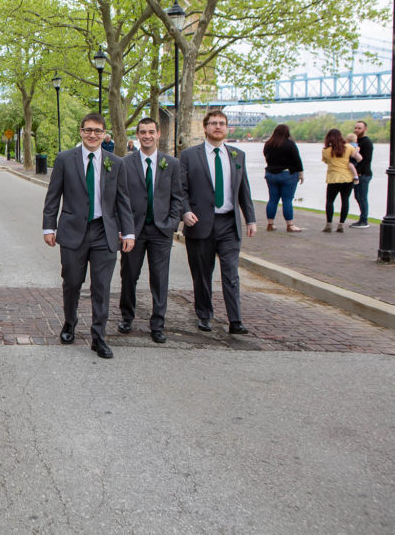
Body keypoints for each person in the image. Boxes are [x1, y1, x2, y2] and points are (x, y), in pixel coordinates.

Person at [43, 112, 134, 359]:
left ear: (104, 134)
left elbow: (123, 200)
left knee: (102, 286)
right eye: (88, 130)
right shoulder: (65, 159)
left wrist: (129, 232)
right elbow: (53, 195)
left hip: (104, 232)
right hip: (73, 231)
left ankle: (99, 337)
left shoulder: (116, 163)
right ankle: (69, 323)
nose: (92, 135)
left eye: (97, 131)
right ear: (81, 132)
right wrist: (48, 227)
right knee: (72, 281)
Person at [180, 110, 256, 335]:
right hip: (200, 223)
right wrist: (185, 211)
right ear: (205, 128)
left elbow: (244, 190)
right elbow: (181, 189)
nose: (218, 127)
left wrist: (250, 218)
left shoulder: (237, 155)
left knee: (231, 273)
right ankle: (204, 314)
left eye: (222, 123)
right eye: (213, 123)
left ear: (227, 128)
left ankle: (236, 320)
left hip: (228, 224)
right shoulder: (189, 156)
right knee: (202, 273)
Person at [118, 118, 183, 343]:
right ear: (137, 135)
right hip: (133, 230)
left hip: (161, 230)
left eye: (151, 132)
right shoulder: (125, 164)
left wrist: (173, 222)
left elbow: (178, 197)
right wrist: (123, 229)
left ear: (158, 134)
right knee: (129, 275)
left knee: (159, 278)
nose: (147, 136)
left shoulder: (171, 164)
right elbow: (120, 198)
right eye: (143, 132)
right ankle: (127, 317)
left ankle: (158, 323)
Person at [262, 124, 304, 233]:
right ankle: (290, 225)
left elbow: (266, 156)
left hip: (271, 174)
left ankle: (270, 224)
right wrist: (301, 173)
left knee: (272, 199)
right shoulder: (290, 144)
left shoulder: (268, 144)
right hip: (287, 175)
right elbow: (297, 159)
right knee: (287, 200)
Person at [321, 128, 360, 234]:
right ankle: (341, 225)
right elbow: (358, 158)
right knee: (345, 200)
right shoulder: (349, 147)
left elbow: (326, 161)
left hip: (333, 178)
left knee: (330, 201)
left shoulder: (326, 150)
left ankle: (329, 224)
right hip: (347, 178)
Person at [350, 120, 373, 228]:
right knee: (358, 196)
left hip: (363, 174)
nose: (357, 130)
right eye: (355, 128)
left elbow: (366, 160)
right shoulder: (355, 141)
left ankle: (364, 220)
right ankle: (362, 219)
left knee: (362, 197)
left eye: (359, 128)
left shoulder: (366, 142)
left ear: (365, 129)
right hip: (356, 174)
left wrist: (357, 172)